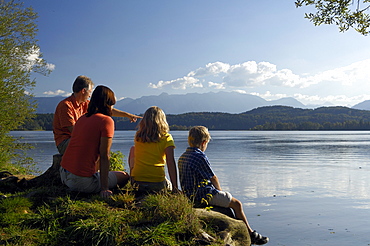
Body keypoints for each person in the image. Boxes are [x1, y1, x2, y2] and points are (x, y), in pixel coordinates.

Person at [178, 126, 269, 245]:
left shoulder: (183, 156)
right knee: (237, 204)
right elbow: (213, 177)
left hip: (189, 194)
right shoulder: (199, 156)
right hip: (203, 194)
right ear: (204, 142)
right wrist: (219, 191)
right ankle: (251, 234)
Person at [60, 85, 129, 198]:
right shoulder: (106, 121)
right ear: (107, 104)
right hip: (80, 182)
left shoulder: (82, 118)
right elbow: (104, 155)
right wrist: (104, 188)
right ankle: (98, 185)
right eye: (111, 104)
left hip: (64, 174)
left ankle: (92, 178)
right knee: (124, 176)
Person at [53, 75, 141, 155]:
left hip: (79, 139)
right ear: (83, 91)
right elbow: (74, 131)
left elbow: (106, 109)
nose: (90, 95)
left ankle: (95, 170)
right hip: (65, 142)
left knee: (99, 145)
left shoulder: (86, 104)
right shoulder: (65, 105)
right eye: (90, 92)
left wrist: (128, 115)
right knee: (95, 145)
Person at [128, 106, 178, 195]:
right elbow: (170, 163)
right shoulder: (166, 138)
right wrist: (175, 187)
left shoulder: (138, 137)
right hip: (157, 182)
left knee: (133, 150)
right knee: (169, 184)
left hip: (137, 182)